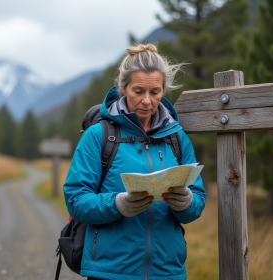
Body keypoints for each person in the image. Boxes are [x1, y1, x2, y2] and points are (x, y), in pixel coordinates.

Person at [63, 44, 206, 280]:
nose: (148, 101)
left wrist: (186, 203)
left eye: (155, 92)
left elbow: (197, 203)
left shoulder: (177, 138)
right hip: (110, 272)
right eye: (138, 91)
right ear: (123, 88)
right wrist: (117, 204)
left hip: (167, 271)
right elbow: (76, 201)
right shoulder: (99, 135)